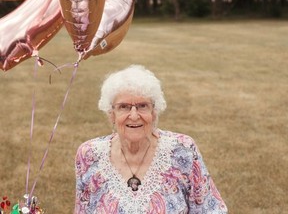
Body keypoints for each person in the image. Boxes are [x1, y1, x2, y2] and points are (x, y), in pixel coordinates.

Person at [74, 65, 228, 213]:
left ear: (154, 113)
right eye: (124, 107)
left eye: (142, 106)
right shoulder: (89, 155)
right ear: (111, 114)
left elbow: (212, 209)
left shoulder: (183, 150)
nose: (134, 116)